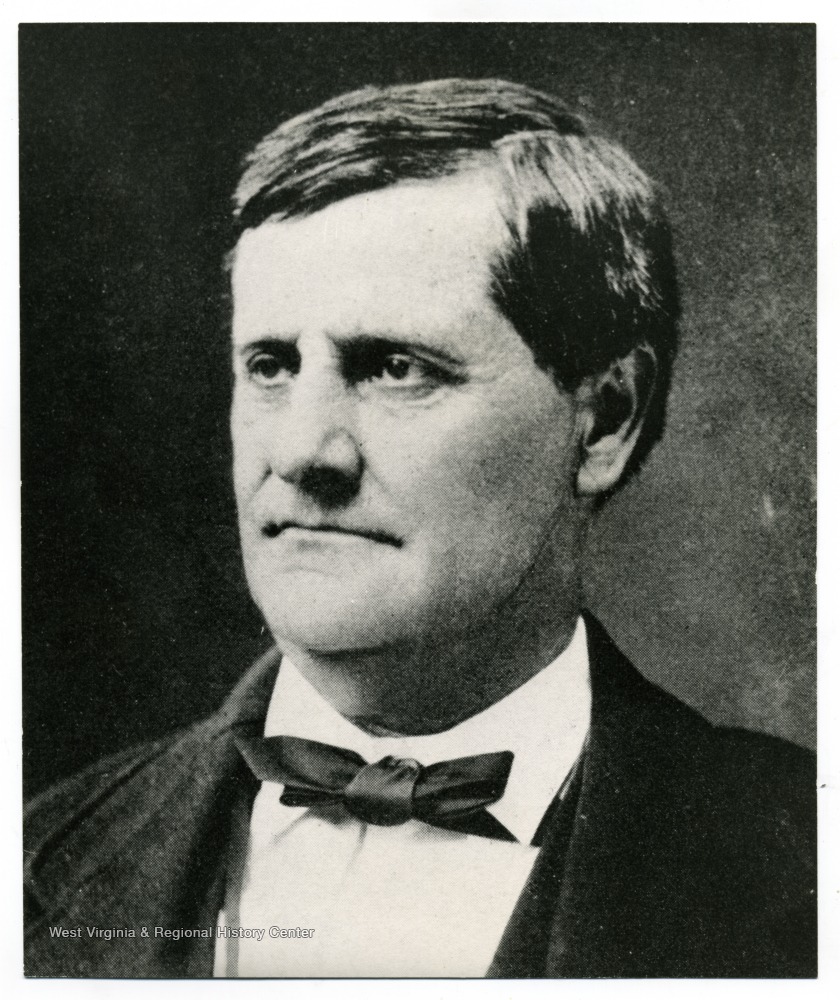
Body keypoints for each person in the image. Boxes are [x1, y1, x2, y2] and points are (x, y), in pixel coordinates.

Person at [23, 78, 816, 979]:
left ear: (603, 421)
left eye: (396, 367)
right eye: (271, 366)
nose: (302, 453)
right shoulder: (39, 858)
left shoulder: (803, 862)